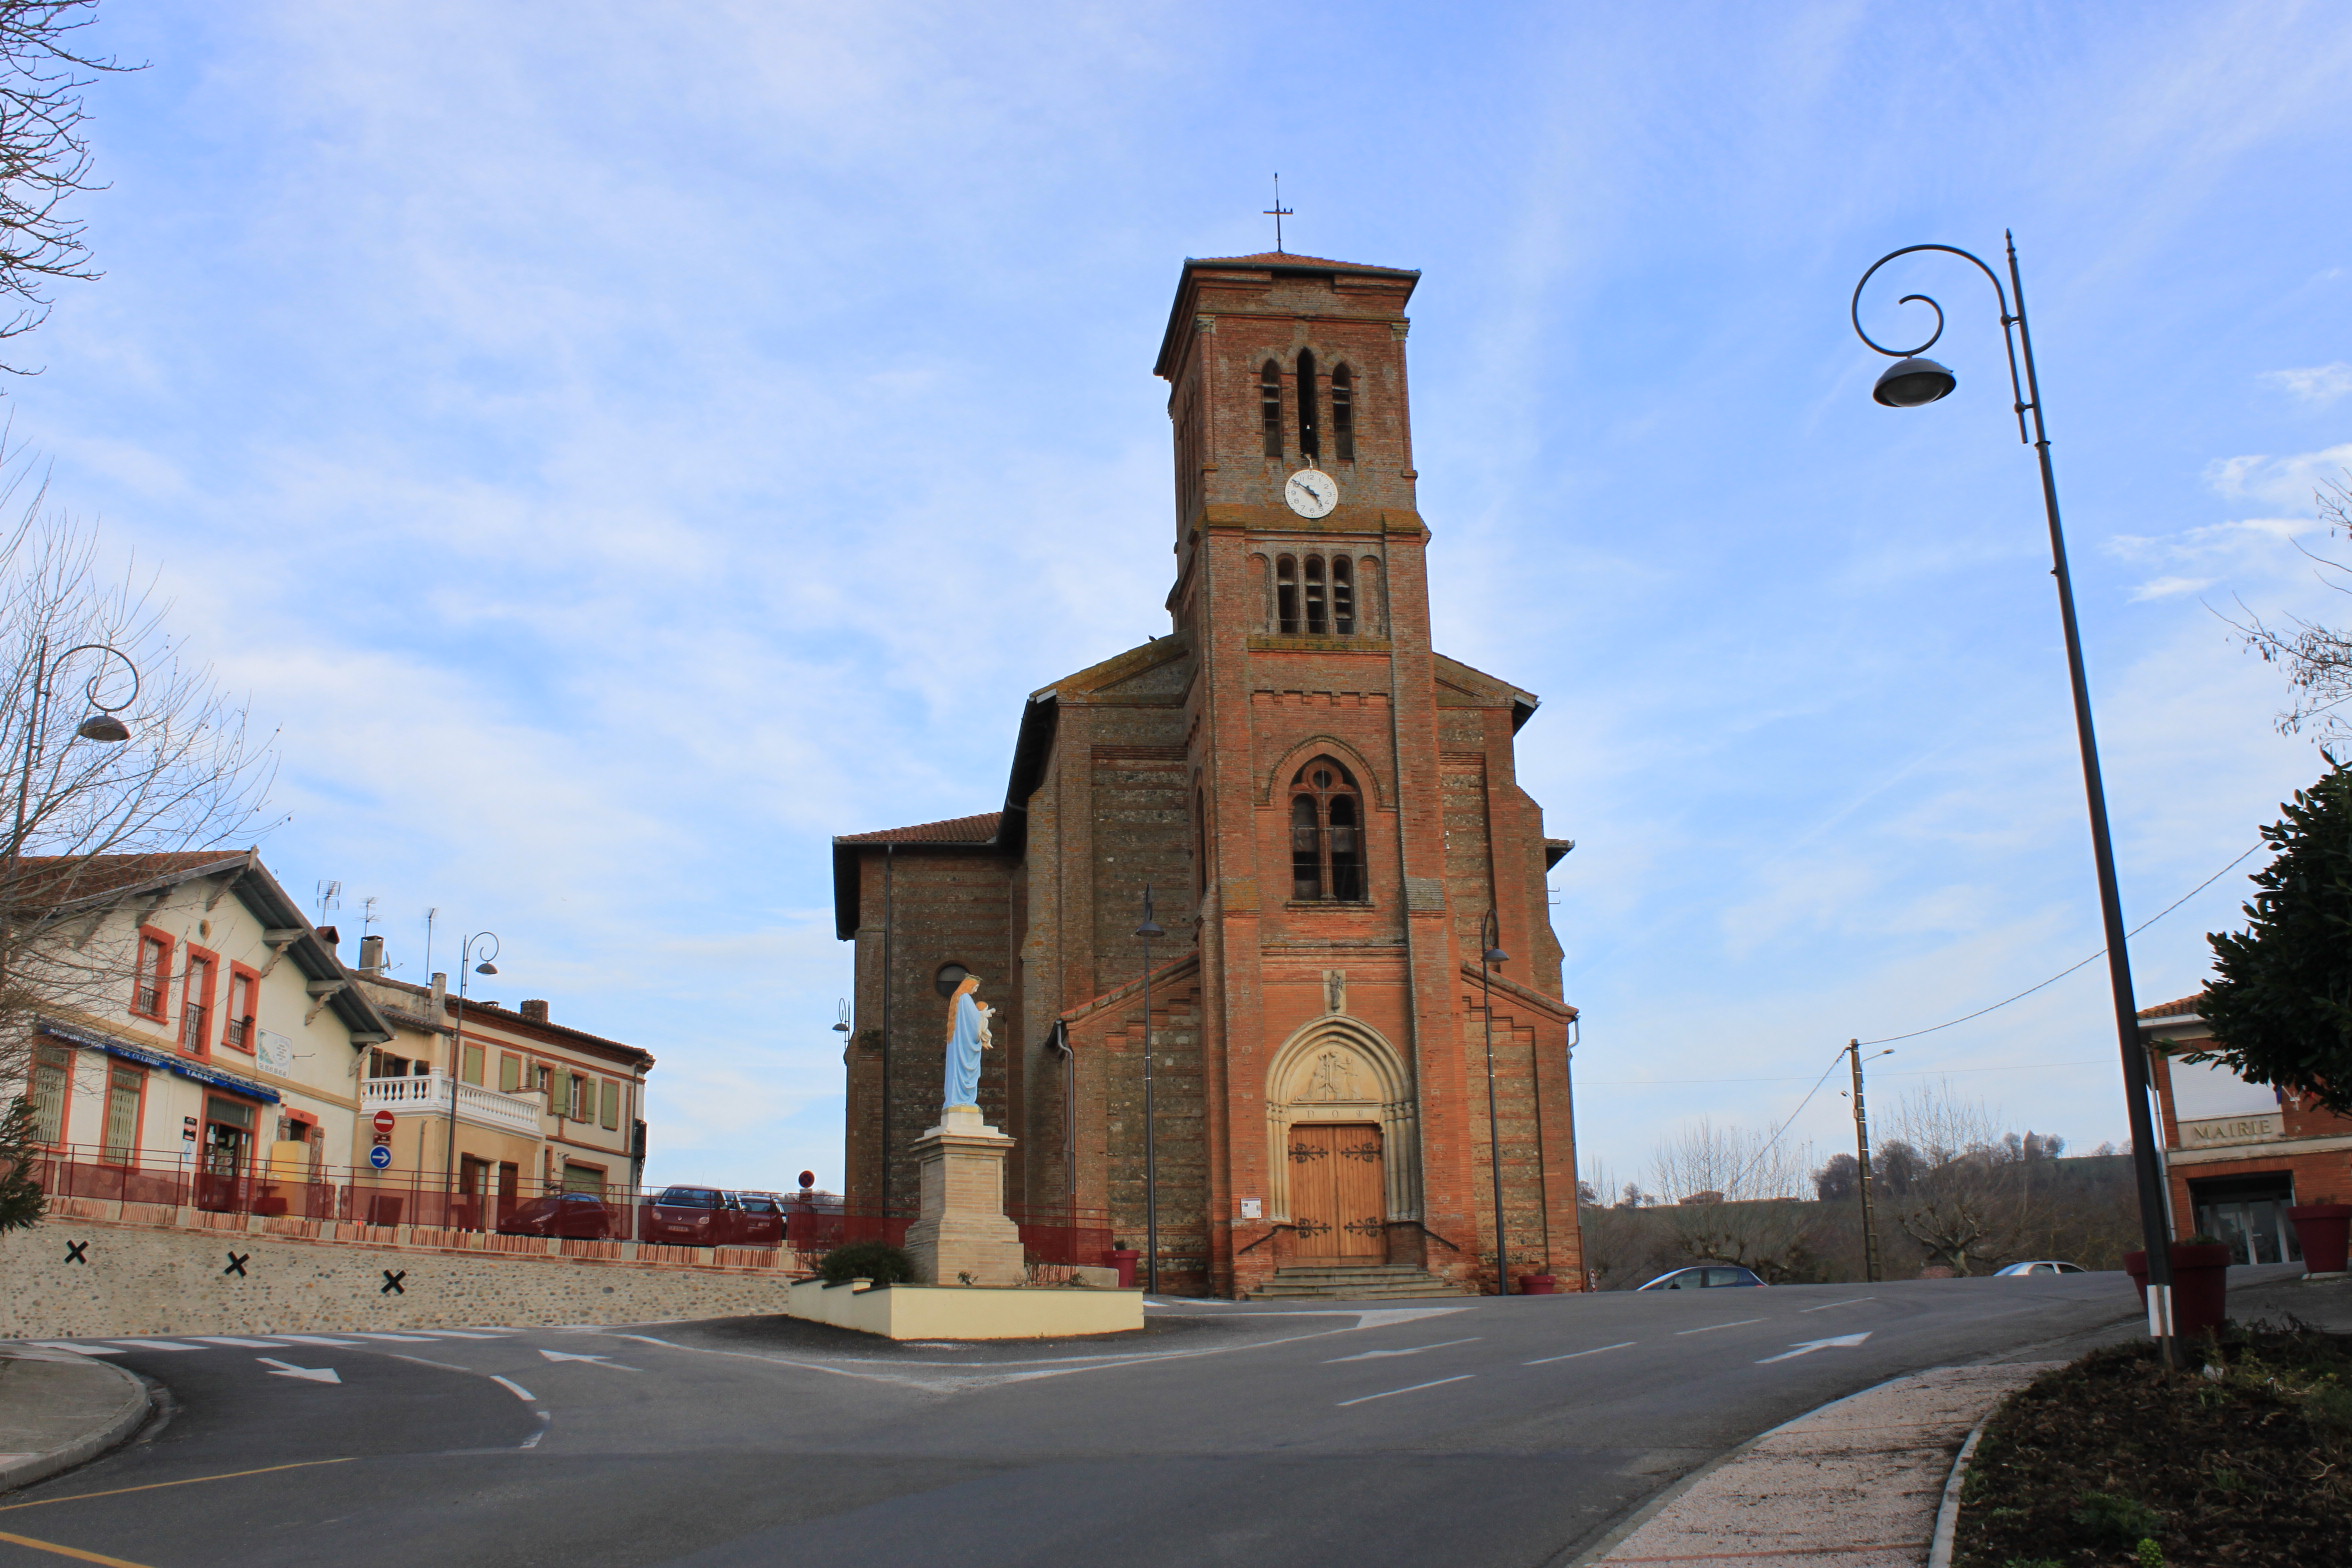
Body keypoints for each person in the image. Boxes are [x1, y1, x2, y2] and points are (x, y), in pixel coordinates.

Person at [942, 974, 994, 1112]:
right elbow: (974, 1020)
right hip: (965, 1045)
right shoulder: (965, 998)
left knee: (956, 1070)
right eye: (975, 987)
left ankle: (957, 1099)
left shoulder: (957, 998)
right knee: (965, 1073)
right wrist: (984, 1015)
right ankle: (963, 1100)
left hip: (959, 1044)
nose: (976, 991)